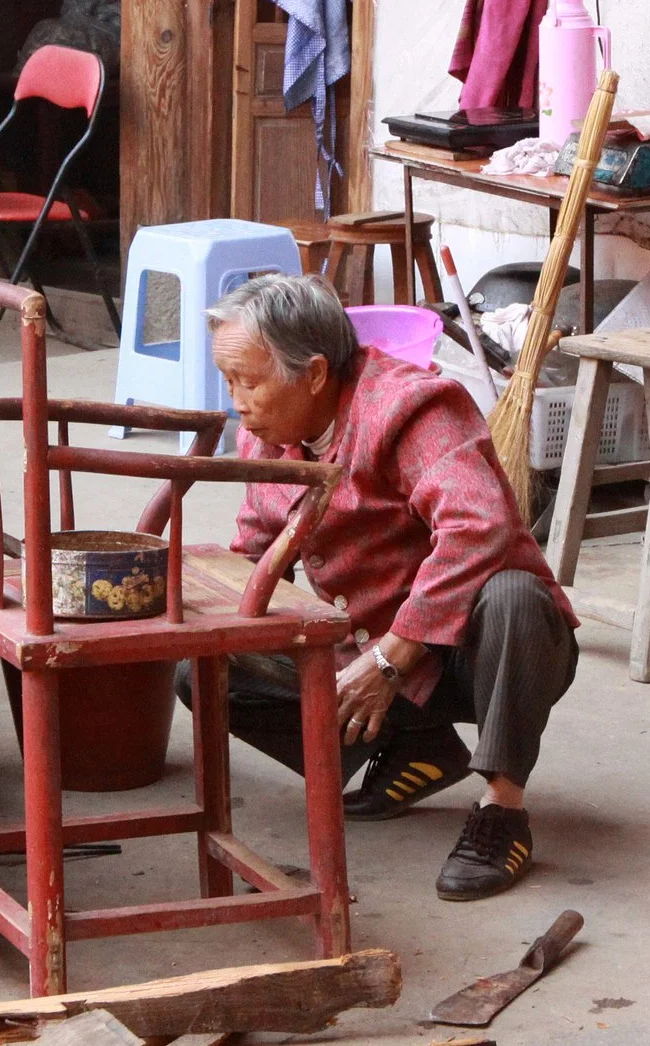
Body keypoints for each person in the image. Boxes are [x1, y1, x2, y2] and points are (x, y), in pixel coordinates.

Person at [188, 275, 581, 902]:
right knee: (205, 666)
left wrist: (395, 653)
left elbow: (480, 526)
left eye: (249, 380)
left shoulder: (413, 407)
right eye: (229, 379)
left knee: (512, 593)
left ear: (314, 373)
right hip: (365, 652)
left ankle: (502, 810)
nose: (237, 399)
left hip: (478, 653)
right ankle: (418, 747)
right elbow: (258, 544)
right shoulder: (266, 434)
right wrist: (191, 607)